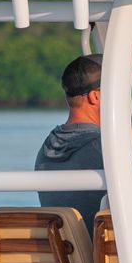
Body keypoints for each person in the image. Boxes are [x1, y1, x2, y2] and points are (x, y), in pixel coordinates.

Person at [35, 53, 104, 215]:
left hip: (60, 240)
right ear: (95, 97)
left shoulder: (47, 146)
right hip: (100, 240)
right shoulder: (103, 148)